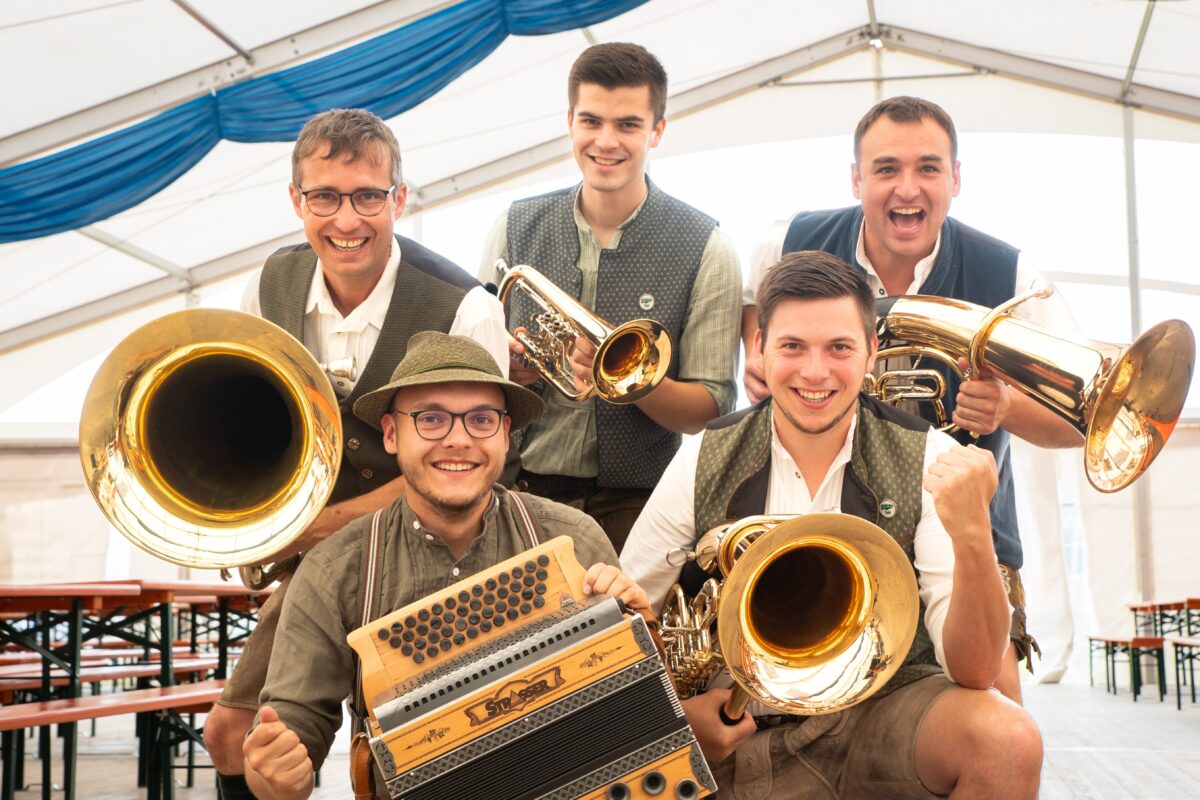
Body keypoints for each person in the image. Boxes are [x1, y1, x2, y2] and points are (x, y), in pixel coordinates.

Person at [623, 252, 1042, 798]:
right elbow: (625, 618)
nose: (815, 372)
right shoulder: (703, 456)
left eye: (839, 348)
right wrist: (675, 715)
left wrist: (973, 535)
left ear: (871, 352)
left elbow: (977, 671)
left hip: (879, 714)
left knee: (1007, 739)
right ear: (760, 349)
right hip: (737, 722)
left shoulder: (928, 456)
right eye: (793, 346)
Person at [204, 108, 509, 799]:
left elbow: (476, 468)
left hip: (436, 556)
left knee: (417, 753)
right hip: (320, 565)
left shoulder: (466, 306)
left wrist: (315, 529)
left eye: (368, 196)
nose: (347, 219)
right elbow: (251, 425)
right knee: (232, 738)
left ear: (399, 198)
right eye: (325, 197)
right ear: (296, 202)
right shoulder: (266, 286)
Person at [739, 96, 1082, 702]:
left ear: (955, 178)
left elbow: (1079, 425)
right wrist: (760, 358)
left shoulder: (1015, 279)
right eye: (886, 168)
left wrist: (1008, 409)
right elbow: (752, 319)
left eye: (928, 168)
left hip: (968, 533)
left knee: (1001, 722)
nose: (907, 188)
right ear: (856, 179)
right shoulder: (786, 242)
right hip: (812, 528)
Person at [242, 332, 651, 800]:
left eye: (481, 419)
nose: (458, 440)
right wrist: (274, 772)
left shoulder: (575, 536)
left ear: (504, 433)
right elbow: (290, 739)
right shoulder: (334, 568)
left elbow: (634, 710)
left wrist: (641, 632)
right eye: (431, 419)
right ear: (392, 434)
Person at [479, 42, 742, 553]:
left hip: (641, 504)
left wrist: (624, 378)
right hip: (518, 489)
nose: (605, 141)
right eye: (591, 121)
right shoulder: (513, 226)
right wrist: (507, 370)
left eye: (627, 124)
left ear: (657, 130)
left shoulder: (707, 244)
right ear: (570, 122)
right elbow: (471, 369)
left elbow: (710, 408)